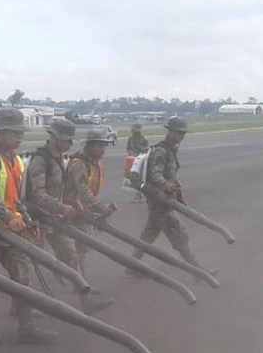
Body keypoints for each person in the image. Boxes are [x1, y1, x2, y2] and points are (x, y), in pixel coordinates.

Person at [0, 107, 56, 344]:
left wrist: (24, 218)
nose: (20, 137)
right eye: (15, 133)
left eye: (20, 132)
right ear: (1, 132)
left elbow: (15, 197)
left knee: (23, 275)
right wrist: (8, 218)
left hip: (11, 228)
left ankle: (26, 327)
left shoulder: (14, 159)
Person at [26, 118, 112, 314]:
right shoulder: (41, 160)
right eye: (65, 140)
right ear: (54, 137)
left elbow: (63, 190)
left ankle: (86, 301)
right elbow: (38, 194)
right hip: (37, 218)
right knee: (28, 264)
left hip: (54, 218)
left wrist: (66, 207)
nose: (68, 144)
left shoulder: (59, 159)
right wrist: (61, 207)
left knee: (71, 257)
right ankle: (23, 305)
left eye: (70, 141)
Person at [131, 117, 208, 271]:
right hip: (160, 200)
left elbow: (169, 175)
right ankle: (198, 272)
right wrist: (165, 184)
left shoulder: (170, 149)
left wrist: (178, 194)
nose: (181, 136)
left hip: (161, 199)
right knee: (179, 237)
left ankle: (131, 267)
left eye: (182, 133)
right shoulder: (162, 150)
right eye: (178, 133)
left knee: (148, 236)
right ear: (170, 132)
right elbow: (156, 174)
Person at [66, 127, 118, 281]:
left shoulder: (95, 163)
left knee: (81, 248)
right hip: (70, 210)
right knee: (73, 248)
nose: (103, 150)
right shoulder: (79, 164)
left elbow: (92, 191)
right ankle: (79, 282)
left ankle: (79, 279)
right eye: (100, 146)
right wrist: (101, 208)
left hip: (83, 211)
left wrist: (95, 211)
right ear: (90, 145)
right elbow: (83, 191)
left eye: (104, 146)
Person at [125, 123, 149, 203]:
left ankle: (138, 195)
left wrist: (139, 149)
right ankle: (137, 195)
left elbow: (146, 149)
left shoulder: (143, 139)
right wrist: (131, 153)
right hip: (132, 159)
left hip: (140, 160)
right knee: (132, 178)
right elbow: (128, 148)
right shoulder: (130, 139)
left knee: (139, 178)